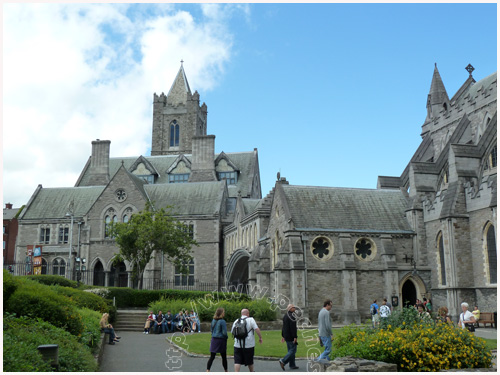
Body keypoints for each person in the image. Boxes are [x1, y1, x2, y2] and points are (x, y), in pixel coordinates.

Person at [206, 307, 228, 372]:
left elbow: (211, 330)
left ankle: (208, 370)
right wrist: (226, 337)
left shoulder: (213, 320)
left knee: (212, 356)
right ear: (221, 313)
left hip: (214, 339)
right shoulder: (222, 321)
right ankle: (226, 371)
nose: (224, 313)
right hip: (221, 340)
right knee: (223, 357)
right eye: (223, 312)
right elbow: (224, 332)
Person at [279, 304, 299, 371]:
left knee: (290, 350)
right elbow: (293, 328)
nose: (295, 308)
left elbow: (284, 327)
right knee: (293, 350)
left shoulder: (285, 316)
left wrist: (283, 336)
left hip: (286, 335)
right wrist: (295, 337)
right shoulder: (292, 316)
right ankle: (283, 361)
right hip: (291, 336)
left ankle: (292, 365)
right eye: (294, 307)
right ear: (290, 308)